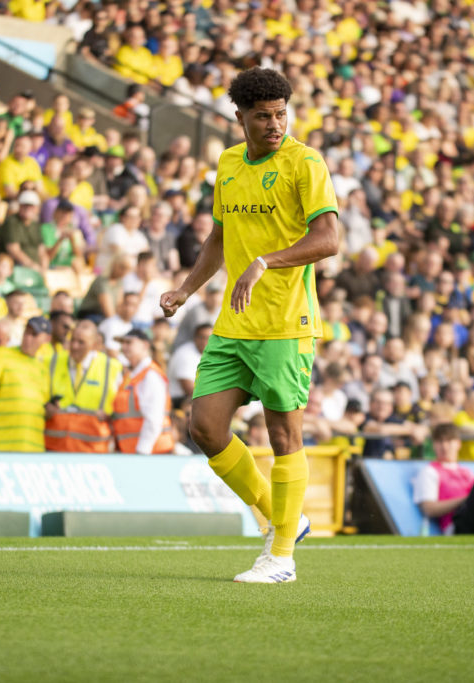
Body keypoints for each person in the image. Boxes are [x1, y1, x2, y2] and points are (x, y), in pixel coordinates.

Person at [159, 68, 339, 583]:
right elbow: (219, 237)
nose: (275, 124)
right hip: (235, 323)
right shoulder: (229, 162)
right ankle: (285, 517)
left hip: (286, 322)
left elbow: (328, 239)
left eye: (281, 113)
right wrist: (185, 290)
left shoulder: (305, 163)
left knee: (284, 434)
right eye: (263, 116)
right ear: (239, 117)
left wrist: (265, 261)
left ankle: (281, 557)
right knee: (205, 428)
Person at [44, 319, 122, 452]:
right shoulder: (52, 361)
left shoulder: (112, 367)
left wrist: (111, 416)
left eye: (81, 342)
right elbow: (38, 396)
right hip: (56, 449)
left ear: (95, 345)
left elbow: (121, 407)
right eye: (72, 340)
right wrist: (46, 408)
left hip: (93, 451)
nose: (74, 346)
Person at [0, 315, 51, 452]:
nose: (28, 338)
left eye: (34, 335)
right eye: (26, 333)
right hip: (0, 447)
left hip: (33, 449)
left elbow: (43, 407)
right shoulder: (1, 354)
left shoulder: (44, 367)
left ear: (47, 339)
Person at [112, 329, 174, 453]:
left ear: (145, 345)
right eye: (122, 343)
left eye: (129, 342)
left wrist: (142, 452)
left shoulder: (150, 375)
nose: (123, 347)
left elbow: (153, 419)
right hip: (135, 451)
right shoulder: (132, 375)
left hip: (151, 452)